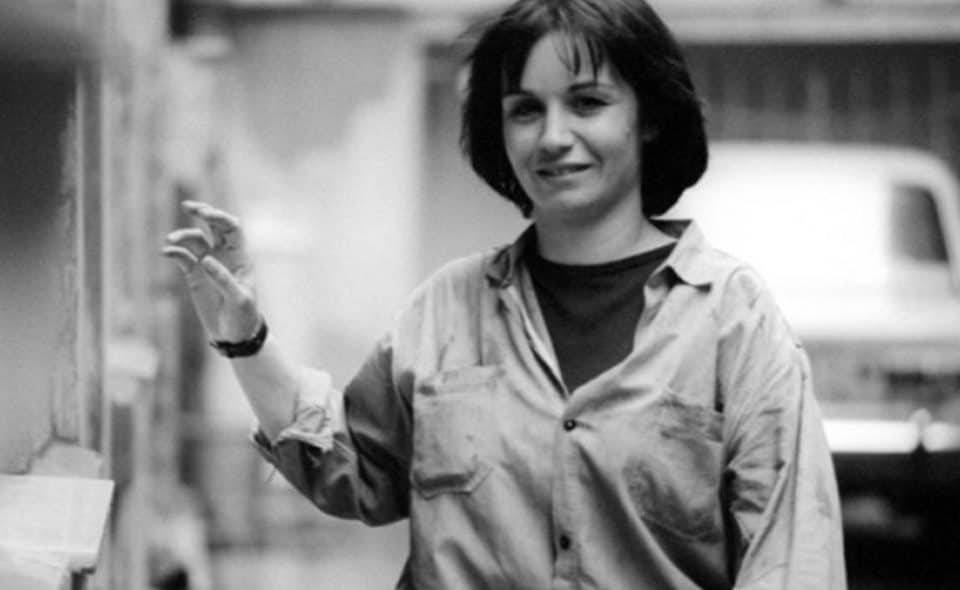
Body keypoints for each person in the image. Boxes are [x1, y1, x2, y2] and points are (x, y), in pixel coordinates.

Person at [163, 0, 847, 587]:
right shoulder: (448, 309)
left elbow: (793, 562)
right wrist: (245, 339)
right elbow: (352, 471)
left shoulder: (732, 322)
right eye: (525, 110)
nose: (553, 137)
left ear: (650, 118)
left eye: (588, 103)